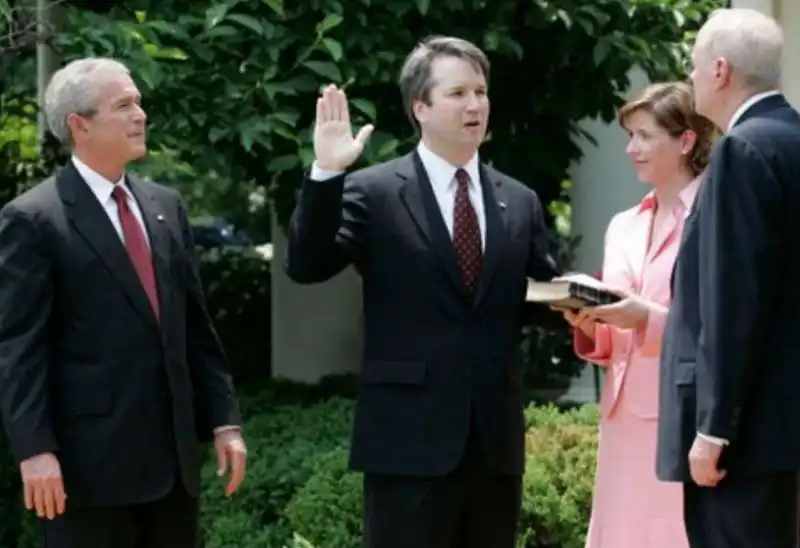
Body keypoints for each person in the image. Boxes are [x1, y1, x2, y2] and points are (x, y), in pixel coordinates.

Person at [284, 35, 561, 547]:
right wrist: (326, 173)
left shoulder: (517, 200)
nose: (475, 104)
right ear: (421, 108)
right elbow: (307, 264)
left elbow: (538, 296)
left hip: (493, 444)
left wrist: (589, 309)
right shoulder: (374, 191)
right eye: (457, 94)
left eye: (480, 91)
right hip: (407, 444)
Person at [0, 57, 246, 547]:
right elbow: (17, 348)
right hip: (88, 473)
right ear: (79, 125)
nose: (141, 114)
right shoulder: (33, 219)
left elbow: (195, 328)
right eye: (124, 104)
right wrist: (34, 451)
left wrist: (224, 419)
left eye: (139, 101)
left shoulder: (165, 206)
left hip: (173, 469)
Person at [656, 8, 800, 548]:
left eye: (693, 66)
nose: (689, 78)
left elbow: (733, 299)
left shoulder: (744, 150)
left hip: (746, 433)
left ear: (720, 70)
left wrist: (714, 427)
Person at [556, 82, 716, 548]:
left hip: (685, 415)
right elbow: (615, 331)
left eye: (645, 136)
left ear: (686, 140)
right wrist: (591, 326)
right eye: (630, 136)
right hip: (621, 417)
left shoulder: (715, 215)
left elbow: (724, 323)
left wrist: (646, 318)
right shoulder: (623, 224)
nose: (632, 149)